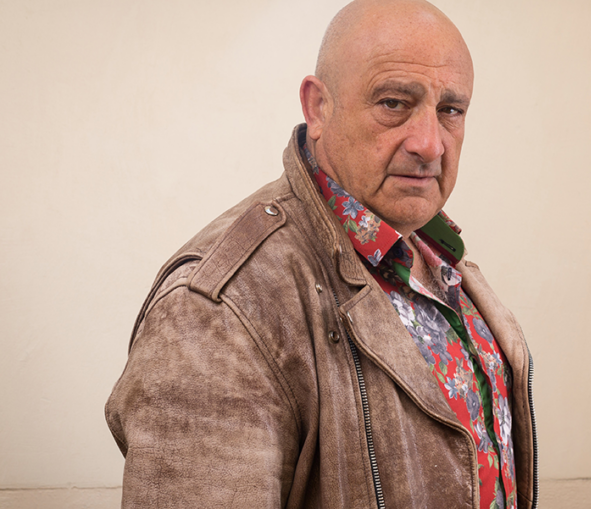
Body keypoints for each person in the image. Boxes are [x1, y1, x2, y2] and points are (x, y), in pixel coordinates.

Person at [105, 0, 538, 507]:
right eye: (394, 103)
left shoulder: (434, 250)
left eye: (450, 111)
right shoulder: (215, 311)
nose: (430, 144)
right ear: (317, 108)